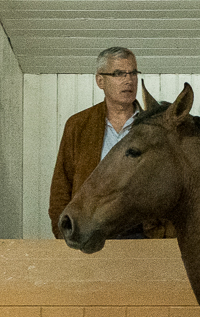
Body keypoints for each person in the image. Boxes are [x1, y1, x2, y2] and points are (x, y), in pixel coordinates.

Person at [48, 46, 150, 239]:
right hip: (90, 233)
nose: (129, 80)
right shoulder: (79, 125)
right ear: (100, 81)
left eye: (133, 73)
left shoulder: (152, 128)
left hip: (142, 234)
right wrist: (65, 235)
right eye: (119, 73)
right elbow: (61, 189)